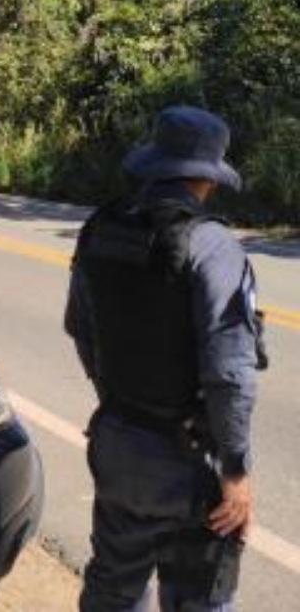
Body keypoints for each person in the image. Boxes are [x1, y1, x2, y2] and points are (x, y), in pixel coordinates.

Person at [65, 106, 267, 612]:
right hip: (188, 462)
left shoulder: (100, 231)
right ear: (208, 179)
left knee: (113, 590)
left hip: (117, 444)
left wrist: (122, 403)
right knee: (200, 598)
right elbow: (229, 373)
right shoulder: (213, 246)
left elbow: (80, 329)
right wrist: (236, 473)